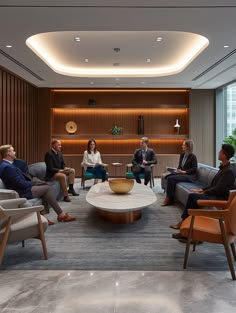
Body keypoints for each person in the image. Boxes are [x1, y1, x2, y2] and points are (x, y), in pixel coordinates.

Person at [171, 144, 235, 239]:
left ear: (224, 155)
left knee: (193, 197)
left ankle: (185, 225)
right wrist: (201, 190)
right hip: (216, 194)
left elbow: (218, 189)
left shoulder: (228, 171)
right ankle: (188, 227)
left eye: (220, 151)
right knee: (193, 196)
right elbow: (214, 185)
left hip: (219, 198)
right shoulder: (224, 168)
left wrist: (203, 193)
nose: (218, 152)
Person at [0, 144, 76, 224]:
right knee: (48, 188)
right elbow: (20, 184)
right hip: (22, 192)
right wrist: (33, 183)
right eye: (13, 150)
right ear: (8, 153)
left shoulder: (6, 165)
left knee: (45, 187)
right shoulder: (7, 167)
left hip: (22, 189)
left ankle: (46, 217)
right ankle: (61, 215)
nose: (15, 152)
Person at [161, 140, 198, 206]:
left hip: (189, 176)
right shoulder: (182, 154)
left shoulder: (193, 157)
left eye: (183, 145)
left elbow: (194, 168)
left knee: (171, 179)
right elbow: (180, 166)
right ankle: (170, 197)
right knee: (168, 176)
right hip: (182, 173)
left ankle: (169, 198)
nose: (182, 146)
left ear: (188, 147)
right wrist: (177, 170)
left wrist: (185, 171)